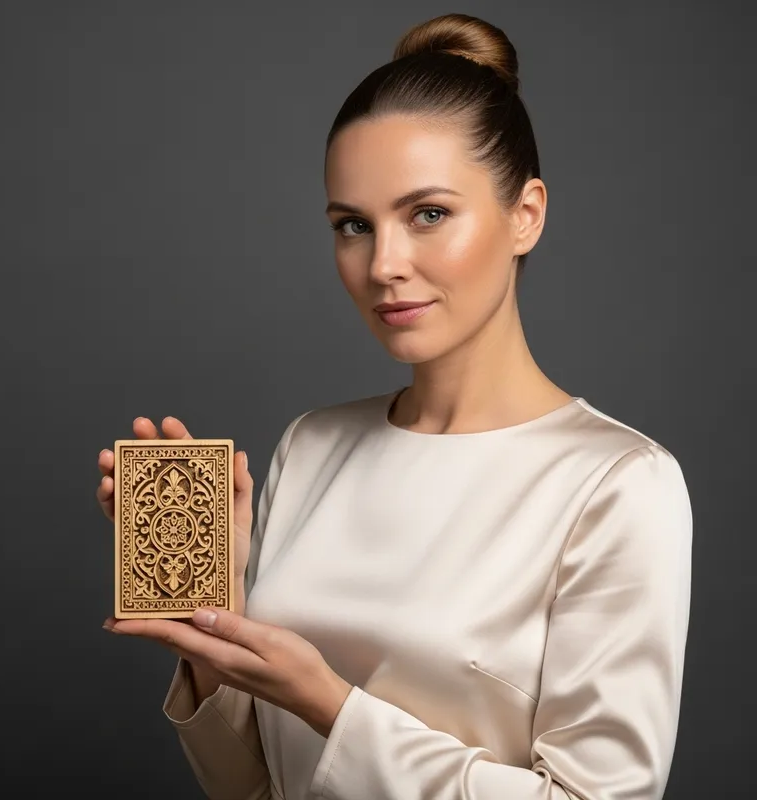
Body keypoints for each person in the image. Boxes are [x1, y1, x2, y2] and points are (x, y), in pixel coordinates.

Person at [95, 13, 692, 800]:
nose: (383, 265)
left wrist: (328, 702)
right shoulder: (314, 445)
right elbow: (252, 789)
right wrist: (215, 634)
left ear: (526, 214)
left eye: (429, 215)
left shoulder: (618, 484)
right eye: (353, 225)